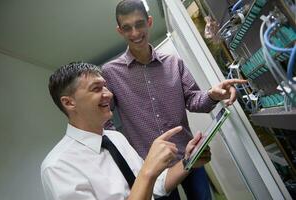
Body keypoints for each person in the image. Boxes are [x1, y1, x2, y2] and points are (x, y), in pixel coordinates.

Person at [102, 0, 247, 199]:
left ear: (149, 22)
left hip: (188, 156)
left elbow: (194, 100)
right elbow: (104, 120)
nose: (135, 33)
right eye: (127, 28)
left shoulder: (174, 63)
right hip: (151, 166)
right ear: (120, 31)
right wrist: (125, 154)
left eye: (139, 24)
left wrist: (212, 94)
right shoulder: (110, 73)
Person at [41, 62, 211, 200]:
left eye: (105, 86)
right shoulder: (58, 167)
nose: (108, 94)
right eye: (96, 88)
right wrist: (148, 170)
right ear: (69, 103)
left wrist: (188, 162)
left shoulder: (116, 138)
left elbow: (154, 186)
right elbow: (146, 178)